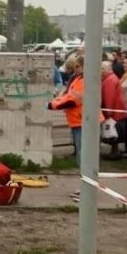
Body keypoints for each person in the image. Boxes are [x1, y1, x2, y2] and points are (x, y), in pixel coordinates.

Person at [48, 55, 103, 201]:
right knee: (83, 157)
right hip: (80, 121)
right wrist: (56, 101)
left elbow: (73, 100)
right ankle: (86, 187)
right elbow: (68, 96)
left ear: (82, 66)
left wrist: (53, 104)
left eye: (76, 66)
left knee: (85, 158)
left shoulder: (85, 80)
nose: (74, 69)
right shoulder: (79, 79)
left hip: (84, 122)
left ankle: (88, 191)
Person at [100, 61, 127, 158]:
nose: (101, 70)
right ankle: (114, 151)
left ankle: (114, 152)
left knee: (113, 132)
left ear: (108, 69)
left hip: (114, 111)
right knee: (114, 132)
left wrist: (108, 111)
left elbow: (109, 96)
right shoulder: (110, 78)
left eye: (102, 68)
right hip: (116, 109)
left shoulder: (110, 80)